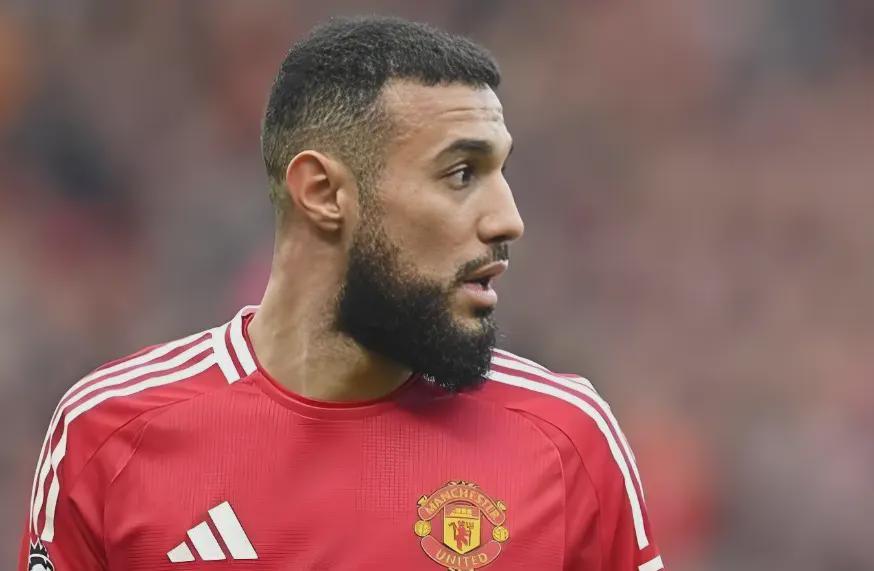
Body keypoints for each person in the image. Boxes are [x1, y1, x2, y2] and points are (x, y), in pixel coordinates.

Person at [20, 16, 663, 571]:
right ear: (323, 193)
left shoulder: (566, 442)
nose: (508, 220)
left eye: (502, 172)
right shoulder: (109, 436)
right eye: (462, 173)